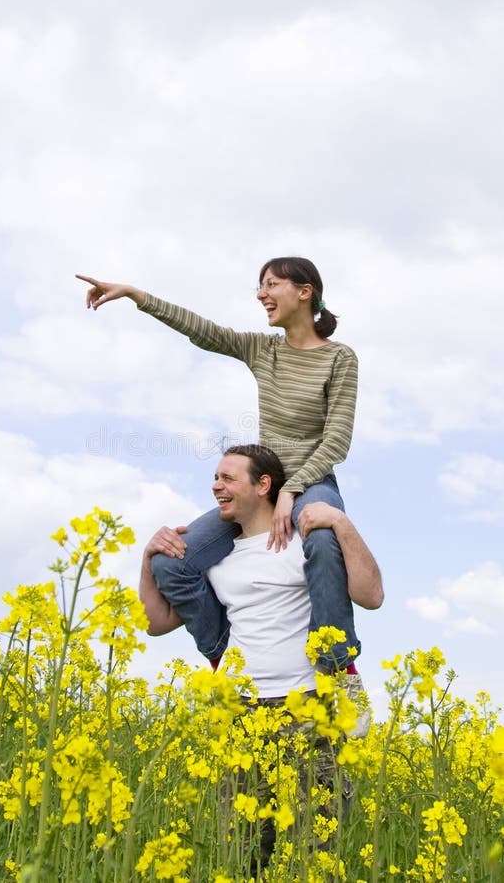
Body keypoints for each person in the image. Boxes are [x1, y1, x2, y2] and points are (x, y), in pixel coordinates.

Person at [77, 257, 359, 671]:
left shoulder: (339, 358)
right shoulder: (263, 349)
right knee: (171, 562)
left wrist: (293, 490)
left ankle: (337, 667)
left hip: (312, 482)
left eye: (271, 284)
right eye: (259, 287)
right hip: (263, 485)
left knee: (320, 537)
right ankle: (226, 658)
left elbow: (337, 439)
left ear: (305, 291)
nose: (262, 294)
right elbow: (203, 330)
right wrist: (138, 296)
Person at [139, 444, 383, 870]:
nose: (216, 486)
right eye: (215, 478)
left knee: (314, 856)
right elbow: (157, 622)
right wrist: (149, 557)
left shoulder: (306, 544)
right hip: (242, 712)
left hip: (310, 707)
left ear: (264, 485)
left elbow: (372, 595)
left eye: (227, 478)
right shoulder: (216, 559)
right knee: (245, 853)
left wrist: (341, 524)